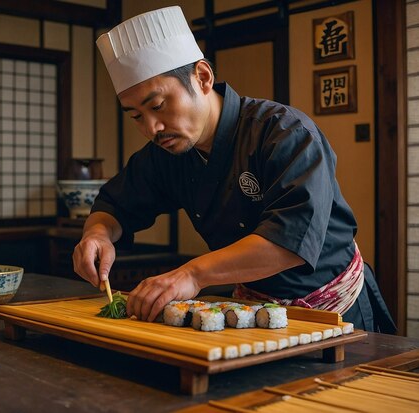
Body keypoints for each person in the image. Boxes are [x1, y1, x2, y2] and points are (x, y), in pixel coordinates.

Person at [72, 6, 395, 333]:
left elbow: (289, 240)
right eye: (136, 116)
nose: (152, 127)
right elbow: (115, 205)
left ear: (202, 77)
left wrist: (192, 274)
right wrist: (97, 234)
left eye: (158, 106)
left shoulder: (286, 133)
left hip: (337, 307)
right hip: (251, 312)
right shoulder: (167, 152)